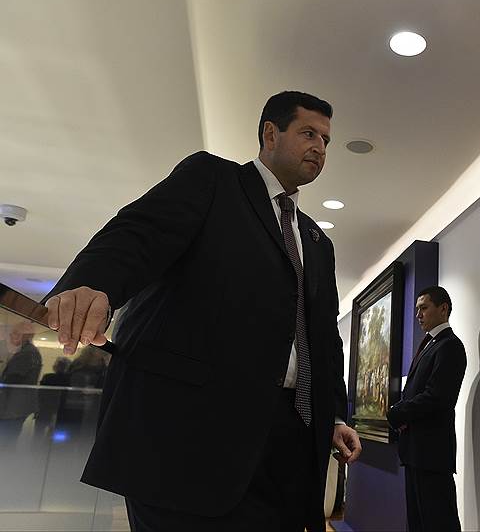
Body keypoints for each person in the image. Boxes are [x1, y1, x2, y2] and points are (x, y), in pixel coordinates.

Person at [43, 91, 361, 531]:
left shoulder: (316, 241)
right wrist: (91, 284)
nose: (320, 148)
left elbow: (324, 339)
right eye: (309, 133)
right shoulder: (213, 180)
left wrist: (335, 415)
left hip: (288, 444)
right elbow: (137, 235)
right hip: (189, 439)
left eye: (325, 140)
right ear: (270, 134)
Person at [387, 286, 466, 532]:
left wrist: (398, 412)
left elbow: (437, 397)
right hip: (416, 451)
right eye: (417, 309)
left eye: (423, 308)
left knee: (438, 523)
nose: (418, 315)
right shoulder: (431, 344)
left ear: (443, 309)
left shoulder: (450, 345)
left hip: (432, 454)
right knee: (419, 524)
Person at [0, 322, 43, 446]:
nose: (11, 336)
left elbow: (11, 379)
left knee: (5, 442)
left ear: (24, 335)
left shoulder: (27, 353)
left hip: (13, 408)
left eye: (15, 333)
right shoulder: (28, 352)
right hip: (14, 407)